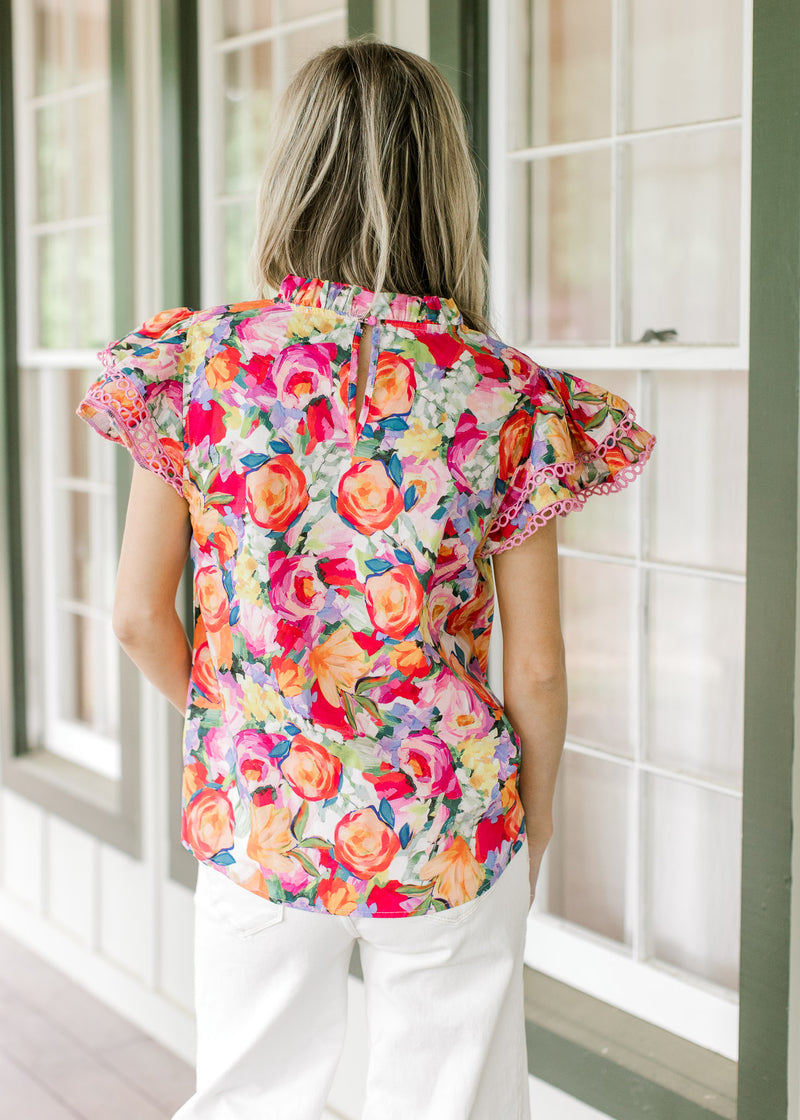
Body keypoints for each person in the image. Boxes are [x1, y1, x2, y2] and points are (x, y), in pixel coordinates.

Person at [75, 36, 656, 1120]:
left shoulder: (204, 367)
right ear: (445, 186)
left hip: (262, 815)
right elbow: (535, 668)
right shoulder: (499, 395)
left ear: (289, 181)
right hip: (449, 816)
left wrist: (251, 736)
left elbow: (134, 618)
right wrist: (522, 824)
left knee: (247, 1099)